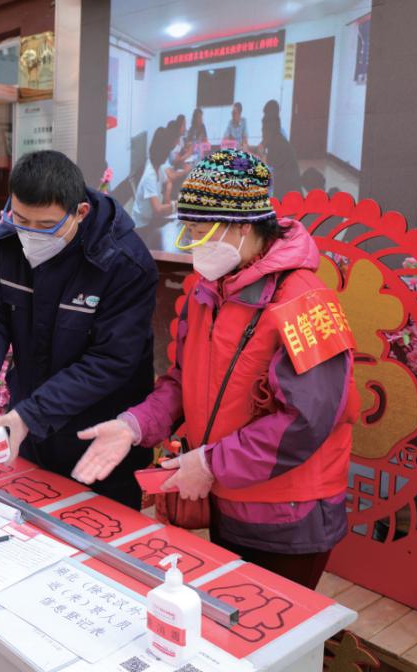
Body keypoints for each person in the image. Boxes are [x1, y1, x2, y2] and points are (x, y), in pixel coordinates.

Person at [72, 149, 358, 589]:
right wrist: (134, 425)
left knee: (272, 644)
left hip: (289, 514)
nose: (193, 240)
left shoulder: (304, 302)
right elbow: (182, 382)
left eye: (200, 230)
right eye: (188, 228)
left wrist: (210, 464)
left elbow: (305, 422)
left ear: (242, 228)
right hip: (227, 498)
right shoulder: (209, 292)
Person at [0, 150, 158, 509]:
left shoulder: (124, 263)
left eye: (46, 225)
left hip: (98, 438)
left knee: (99, 544)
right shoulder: (10, 243)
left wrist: (29, 415)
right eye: (20, 219)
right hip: (32, 428)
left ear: (79, 213)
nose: (30, 235)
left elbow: (112, 360)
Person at [257, 100, 304, 196]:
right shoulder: (277, 138)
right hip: (288, 190)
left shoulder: (277, 144)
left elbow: (266, 163)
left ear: (268, 130)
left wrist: (261, 153)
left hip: (288, 196)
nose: (262, 133)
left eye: (263, 129)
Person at [131, 127, 175, 229]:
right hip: (142, 227)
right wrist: (175, 206)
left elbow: (168, 181)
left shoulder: (158, 168)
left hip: (152, 220)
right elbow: (158, 210)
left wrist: (168, 195)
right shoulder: (150, 175)